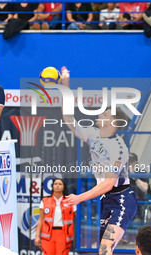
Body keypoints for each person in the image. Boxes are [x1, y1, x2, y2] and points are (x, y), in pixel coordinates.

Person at [61, 66, 137, 255]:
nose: (100, 114)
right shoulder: (92, 134)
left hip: (122, 200)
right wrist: (65, 85)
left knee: (104, 249)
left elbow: (109, 184)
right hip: (106, 200)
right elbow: (67, 117)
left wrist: (79, 198)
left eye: (105, 114)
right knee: (103, 251)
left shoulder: (119, 149)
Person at [34, 178, 76, 255]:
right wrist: (37, 236)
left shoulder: (70, 201)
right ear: (52, 186)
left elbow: (76, 219)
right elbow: (41, 219)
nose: (57, 186)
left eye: (60, 184)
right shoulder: (45, 201)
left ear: (64, 187)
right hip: (47, 236)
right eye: (55, 184)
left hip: (64, 235)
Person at [128, 153, 151, 221]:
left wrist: (135, 178)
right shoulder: (121, 173)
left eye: (130, 162)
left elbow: (145, 189)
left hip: (138, 205)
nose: (129, 164)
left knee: (136, 221)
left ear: (136, 164)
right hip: (123, 203)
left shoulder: (142, 173)